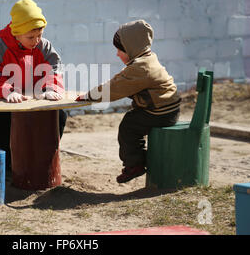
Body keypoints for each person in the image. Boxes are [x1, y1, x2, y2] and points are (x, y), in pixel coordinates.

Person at [77, 20, 181, 183]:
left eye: (120, 49)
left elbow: (115, 88)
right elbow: (121, 79)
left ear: (131, 48)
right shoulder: (146, 59)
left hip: (160, 112)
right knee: (132, 120)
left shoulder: (141, 68)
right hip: (167, 108)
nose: (117, 54)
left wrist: (89, 96)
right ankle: (142, 158)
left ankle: (135, 164)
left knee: (128, 127)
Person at [0, 0, 67, 171]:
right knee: (5, 120)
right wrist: (8, 91)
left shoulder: (44, 46)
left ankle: (44, 158)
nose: (36, 40)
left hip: (35, 99)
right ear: (16, 33)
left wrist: (49, 89)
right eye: (31, 37)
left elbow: (55, 70)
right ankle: (8, 167)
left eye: (40, 35)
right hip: (5, 102)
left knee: (60, 115)